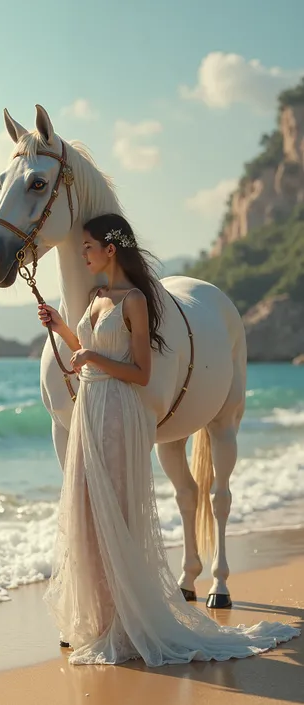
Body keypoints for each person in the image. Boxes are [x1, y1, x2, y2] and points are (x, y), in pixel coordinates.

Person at [37, 213, 299, 666]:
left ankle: (127, 619)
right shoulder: (97, 297)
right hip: (90, 413)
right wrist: (60, 325)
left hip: (118, 410)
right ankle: (98, 617)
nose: (83, 255)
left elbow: (142, 373)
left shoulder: (135, 301)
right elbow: (81, 344)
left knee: (117, 510)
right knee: (86, 511)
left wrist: (93, 356)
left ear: (110, 249)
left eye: (88, 247)